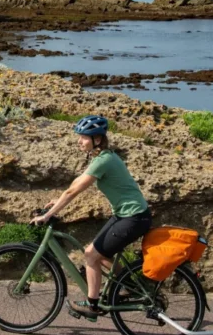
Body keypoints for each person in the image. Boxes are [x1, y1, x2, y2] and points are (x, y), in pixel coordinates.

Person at [32, 115, 152, 321]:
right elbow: (74, 185)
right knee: (96, 253)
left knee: (90, 255)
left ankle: (92, 305)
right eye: (79, 137)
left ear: (97, 139)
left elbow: (74, 192)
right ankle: (127, 286)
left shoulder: (103, 160)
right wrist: (57, 200)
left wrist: (49, 215)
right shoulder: (102, 157)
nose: (79, 141)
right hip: (128, 215)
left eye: (84, 137)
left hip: (133, 217)